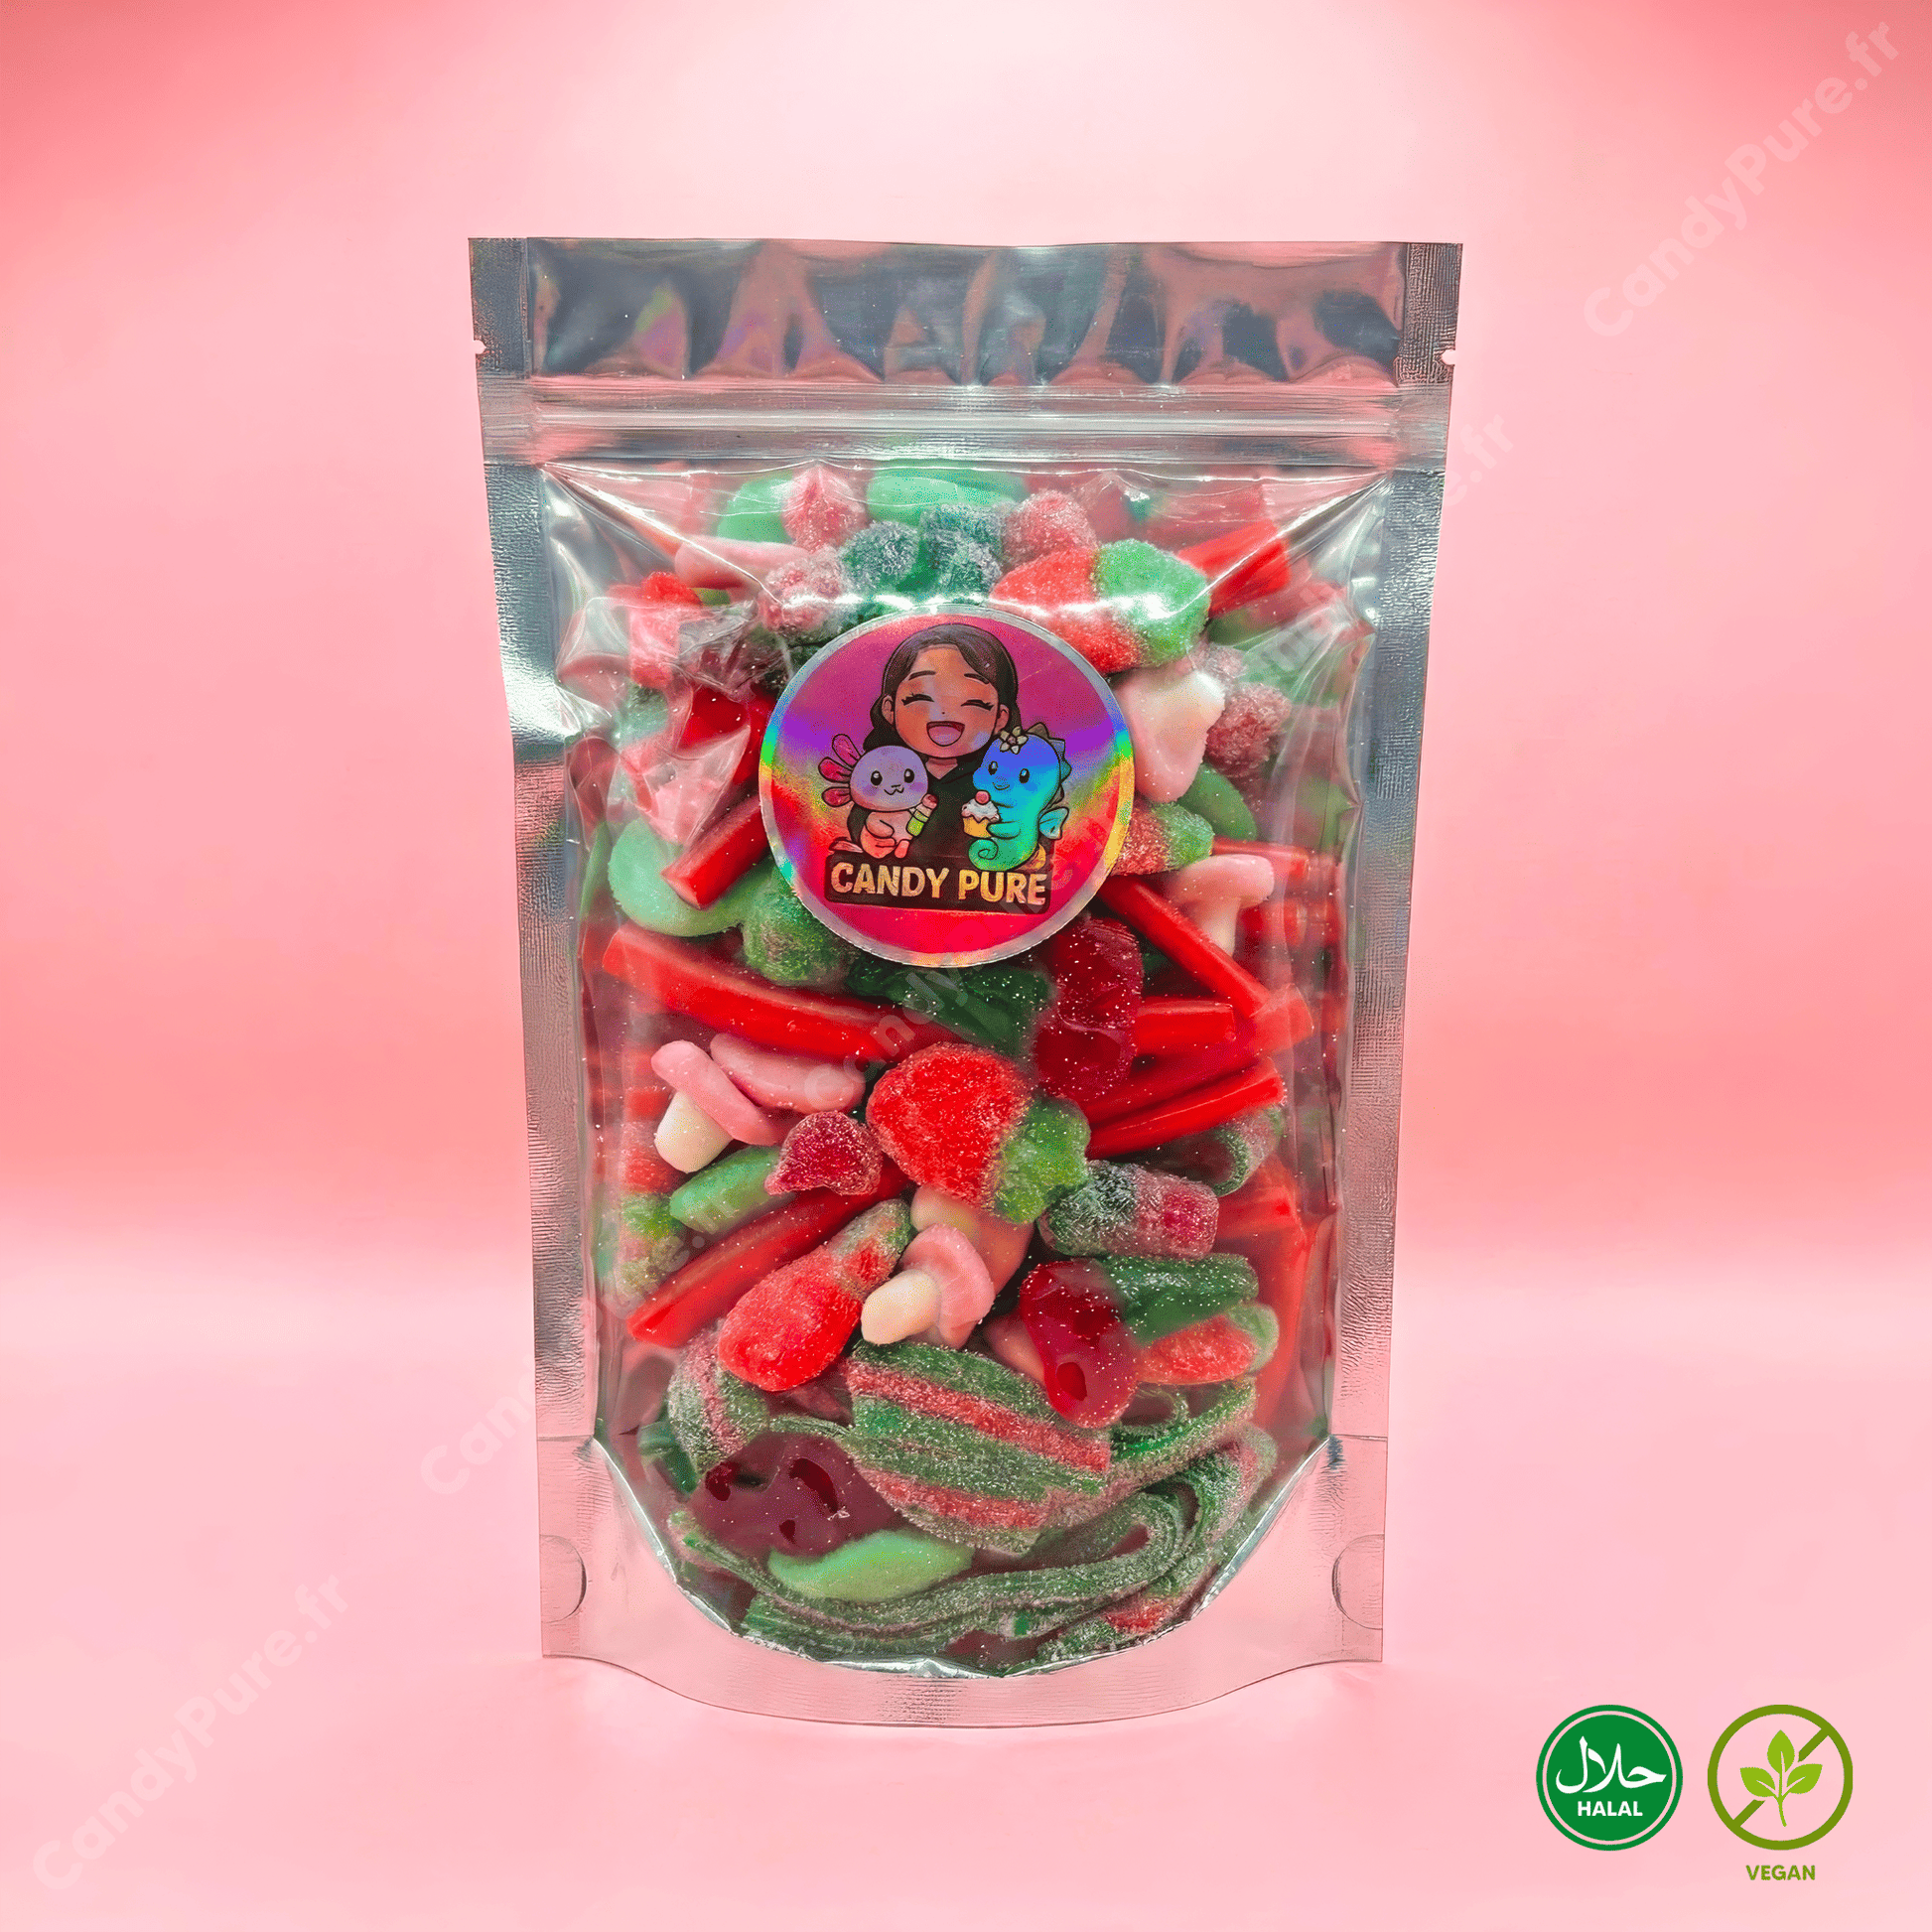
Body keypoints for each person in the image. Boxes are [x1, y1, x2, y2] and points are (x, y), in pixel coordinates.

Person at [857, 622, 1022, 866]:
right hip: (895, 875)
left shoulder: (1000, 779)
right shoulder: (882, 770)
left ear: (1000, 717)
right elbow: (860, 807)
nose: (944, 711)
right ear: (890, 709)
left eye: (973, 701)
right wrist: (869, 834)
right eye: (922, 696)